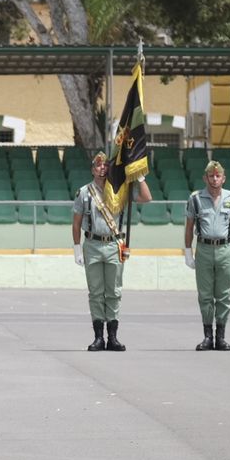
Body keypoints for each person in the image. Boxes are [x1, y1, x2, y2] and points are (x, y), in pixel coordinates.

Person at [71, 150, 151, 351]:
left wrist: (139, 177)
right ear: (92, 169)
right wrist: (76, 248)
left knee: (114, 292)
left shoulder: (120, 190)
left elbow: (146, 197)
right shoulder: (84, 192)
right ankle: (98, 337)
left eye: (106, 165)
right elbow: (76, 222)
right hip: (93, 245)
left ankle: (113, 337)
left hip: (114, 245)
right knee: (96, 292)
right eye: (98, 165)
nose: (102, 168)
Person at [183, 160, 230, 351]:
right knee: (205, 295)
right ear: (205, 178)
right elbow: (189, 227)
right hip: (203, 248)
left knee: (224, 295)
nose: (214, 179)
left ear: (223, 178)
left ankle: (220, 337)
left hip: (225, 249)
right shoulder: (195, 198)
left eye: (218, 175)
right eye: (211, 175)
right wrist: (188, 251)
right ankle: (207, 336)